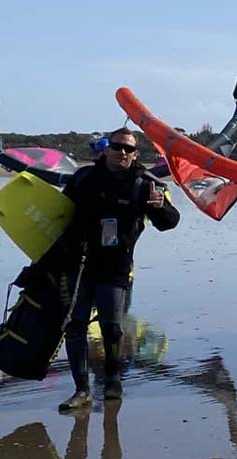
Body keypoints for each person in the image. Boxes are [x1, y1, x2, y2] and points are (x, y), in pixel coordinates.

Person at [58, 128, 179, 411]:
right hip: (79, 264)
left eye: (128, 149)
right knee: (74, 327)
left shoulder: (144, 184)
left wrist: (160, 208)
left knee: (111, 328)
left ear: (135, 154)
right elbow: (59, 214)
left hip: (115, 267)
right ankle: (81, 390)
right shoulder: (84, 178)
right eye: (117, 147)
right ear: (106, 150)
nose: (122, 152)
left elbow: (169, 222)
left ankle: (112, 382)